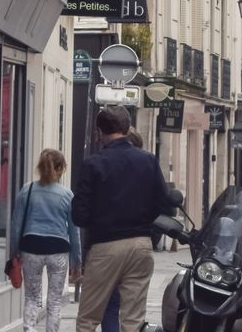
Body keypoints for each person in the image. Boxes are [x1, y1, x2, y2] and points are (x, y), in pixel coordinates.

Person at [72, 106, 180, 332]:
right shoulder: (148, 160)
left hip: (105, 247)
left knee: (88, 319)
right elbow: (165, 206)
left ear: (100, 132)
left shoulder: (93, 164)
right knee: (133, 321)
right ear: (126, 128)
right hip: (140, 245)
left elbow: (79, 216)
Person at [9, 149, 82, 332]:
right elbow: (74, 231)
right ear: (60, 169)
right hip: (58, 249)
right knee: (55, 300)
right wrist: (76, 261)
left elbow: (16, 225)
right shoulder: (67, 195)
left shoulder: (27, 190)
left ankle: (29, 328)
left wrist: (14, 253)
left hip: (31, 247)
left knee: (32, 297)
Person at [100, 132, 146, 332]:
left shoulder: (104, 166)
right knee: (133, 309)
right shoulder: (147, 167)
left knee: (111, 305)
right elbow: (160, 204)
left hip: (108, 245)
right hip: (138, 247)